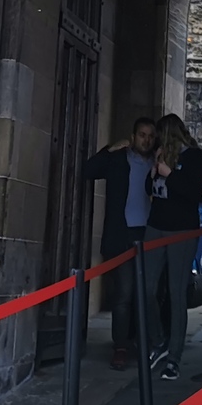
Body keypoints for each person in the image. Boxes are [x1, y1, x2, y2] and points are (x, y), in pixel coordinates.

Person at [81, 117, 158, 370]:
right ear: (133, 136)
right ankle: (121, 345)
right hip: (123, 233)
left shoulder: (159, 162)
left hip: (150, 233)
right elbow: (88, 171)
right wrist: (109, 149)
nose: (146, 140)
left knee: (147, 293)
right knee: (124, 293)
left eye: (150, 136)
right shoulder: (119, 159)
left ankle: (146, 341)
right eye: (142, 135)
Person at [142, 114, 202, 381]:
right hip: (156, 226)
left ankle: (173, 357)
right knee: (146, 287)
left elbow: (192, 193)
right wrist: (154, 170)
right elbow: (150, 188)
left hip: (182, 229)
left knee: (176, 291)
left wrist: (169, 173)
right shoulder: (158, 156)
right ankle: (158, 339)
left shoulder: (194, 156)